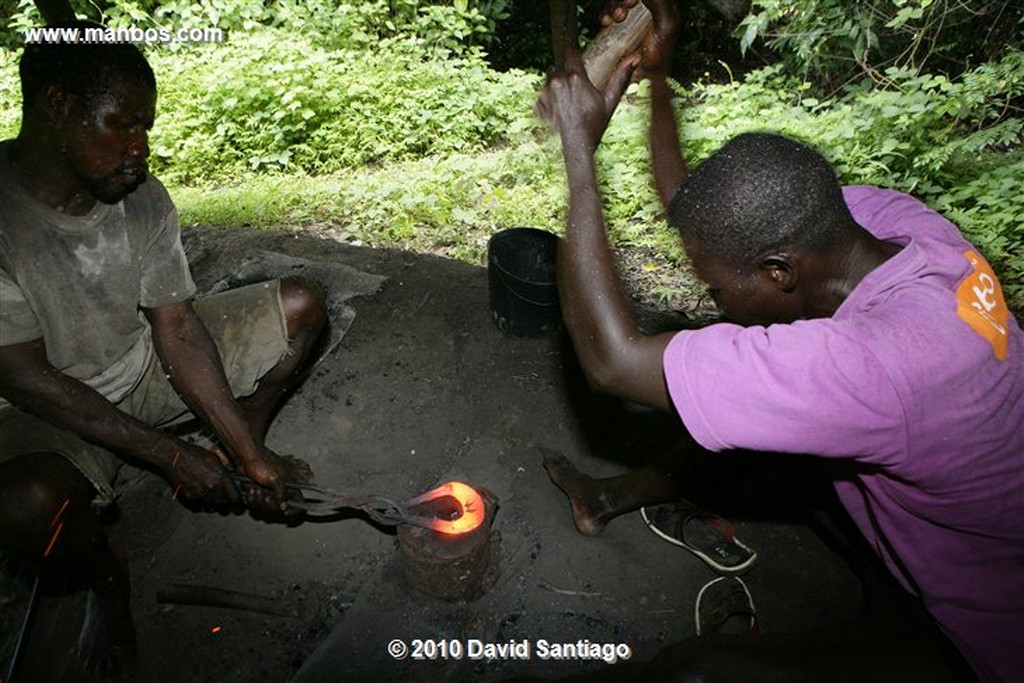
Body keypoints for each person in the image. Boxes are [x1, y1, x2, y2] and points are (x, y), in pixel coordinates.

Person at [534, 0, 1024, 681]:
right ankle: (611, 498)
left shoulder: (873, 367)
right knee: (746, 408)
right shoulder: (896, 227)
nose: (715, 304)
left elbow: (612, 364)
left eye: (717, 291)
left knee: (696, 672)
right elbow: (700, 209)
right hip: (950, 515)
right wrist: (657, 75)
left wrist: (578, 156)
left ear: (779, 272)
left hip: (984, 625)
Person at [0, 23, 327, 675]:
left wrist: (246, 448)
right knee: (26, 507)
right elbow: (25, 377)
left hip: (142, 364)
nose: (140, 147)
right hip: (44, 409)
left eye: (144, 125)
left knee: (300, 307)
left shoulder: (140, 198)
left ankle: (233, 450)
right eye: (122, 124)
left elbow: (175, 327)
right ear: (57, 106)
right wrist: (166, 453)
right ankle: (107, 575)